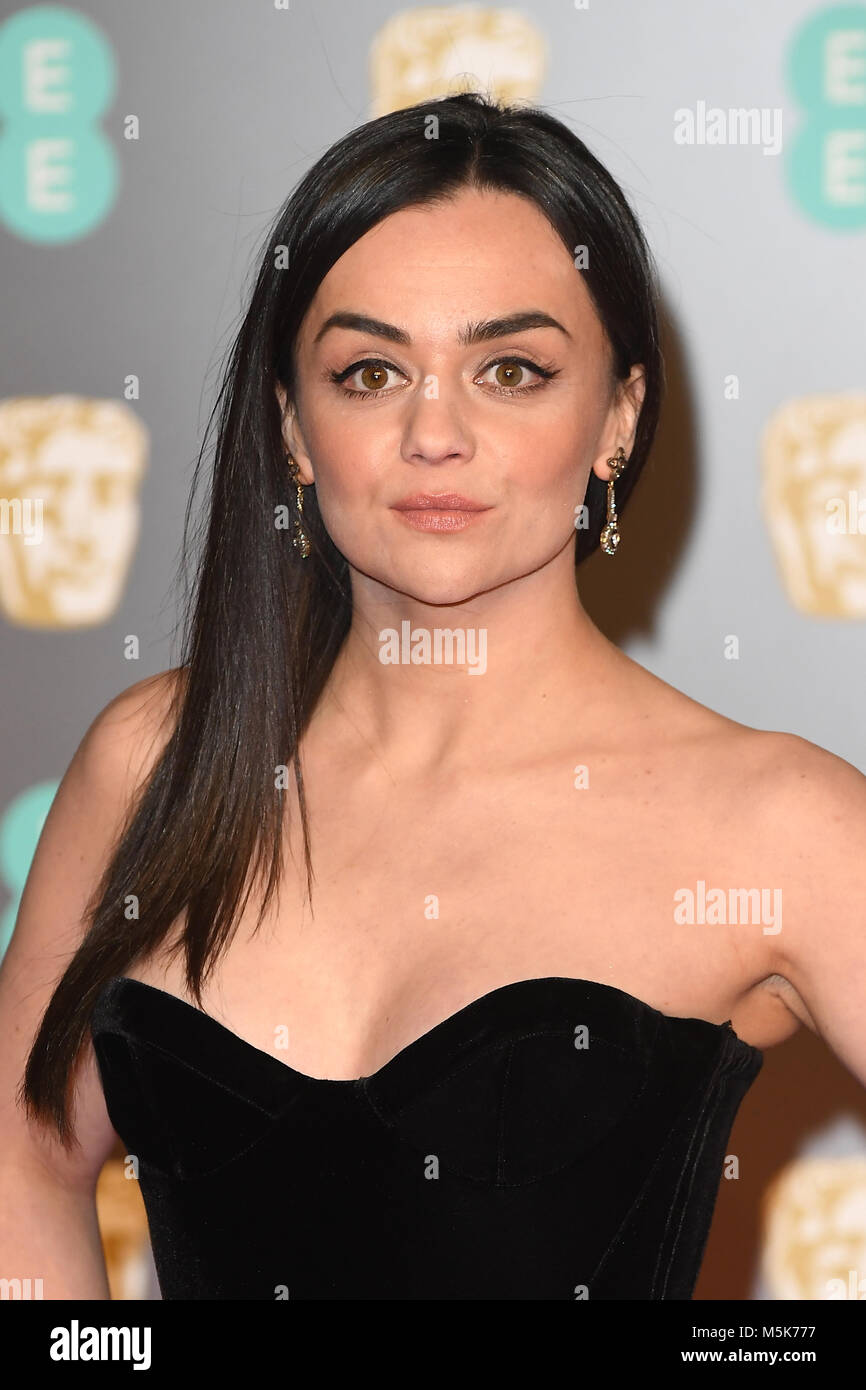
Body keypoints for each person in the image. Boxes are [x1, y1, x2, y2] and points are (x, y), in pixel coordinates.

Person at [2, 93, 865, 1301]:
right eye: (369, 371)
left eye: (509, 369)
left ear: (616, 415)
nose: (433, 433)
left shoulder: (776, 821)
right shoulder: (154, 762)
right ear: (291, 426)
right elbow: (26, 1161)